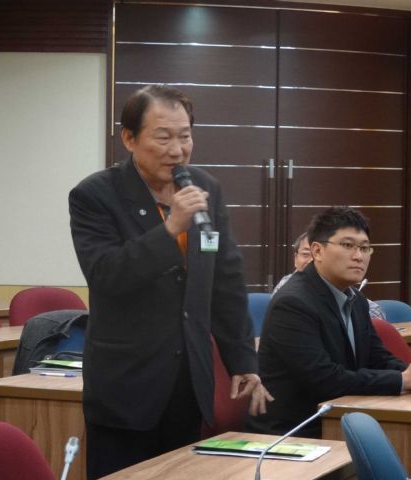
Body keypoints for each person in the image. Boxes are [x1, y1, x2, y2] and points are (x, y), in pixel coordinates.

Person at [69, 84, 273, 479]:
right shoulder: (95, 195)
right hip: (127, 386)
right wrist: (171, 228)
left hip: (188, 382)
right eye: (163, 137)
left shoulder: (205, 188)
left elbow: (226, 283)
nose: (177, 150)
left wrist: (242, 361)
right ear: (130, 138)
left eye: (185, 136)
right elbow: (107, 274)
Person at [247, 207, 411, 438]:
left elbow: (377, 358)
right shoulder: (293, 303)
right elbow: (324, 380)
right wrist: (402, 380)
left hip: (339, 418)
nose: (358, 256)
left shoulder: (356, 300)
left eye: (364, 248)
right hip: (293, 432)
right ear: (317, 251)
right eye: (347, 245)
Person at [272, 231, 387, 321]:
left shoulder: (334, 283)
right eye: (306, 254)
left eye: (364, 248)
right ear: (295, 259)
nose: (311, 260)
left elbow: (376, 312)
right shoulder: (287, 289)